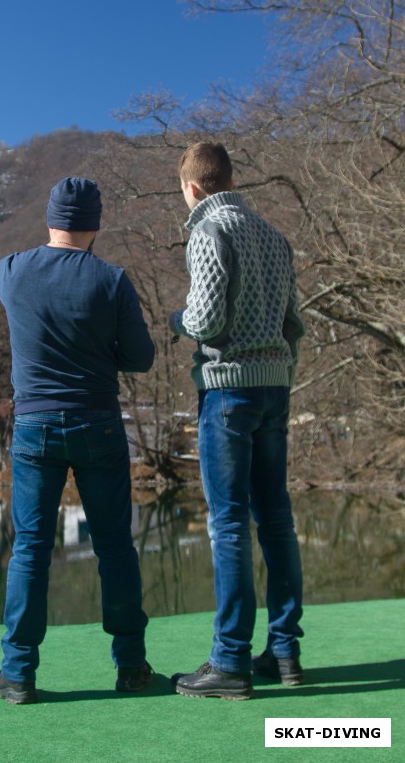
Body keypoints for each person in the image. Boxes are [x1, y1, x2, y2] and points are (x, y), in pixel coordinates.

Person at [0, 176, 155, 705]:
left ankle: (18, 674)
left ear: (50, 220)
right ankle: (132, 666)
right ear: (95, 224)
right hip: (98, 424)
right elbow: (141, 358)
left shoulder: (15, 270)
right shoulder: (112, 280)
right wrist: (103, 356)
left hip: (34, 429)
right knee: (115, 546)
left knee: (30, 549)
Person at [169, 142, 306, 700]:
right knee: (276, 520)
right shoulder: (275, 237)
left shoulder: (208, 230)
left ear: (194, 188)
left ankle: (229, 661)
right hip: (275, 388)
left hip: (228, 392)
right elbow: (294, 323)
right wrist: (279, 368)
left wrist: (175, 317)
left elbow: (205, 320)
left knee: (228, 523)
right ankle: (284, 652)